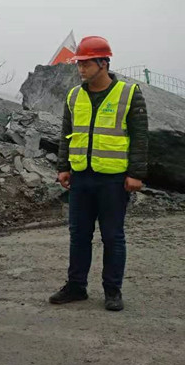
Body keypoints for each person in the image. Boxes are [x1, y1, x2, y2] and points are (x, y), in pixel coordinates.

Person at [49, 36, 148, 311]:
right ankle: (76, 286)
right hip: (81, 176)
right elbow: (66, 134)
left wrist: (136, 173)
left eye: (86, 64)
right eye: (79, 64)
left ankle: (112, 291)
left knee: (112, 236)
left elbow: (140, 137)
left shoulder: (129, 93)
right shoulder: (74, 95)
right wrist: (63, 167)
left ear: (104, 63)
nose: (81, 69)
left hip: (113, 179)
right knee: (79, 235)